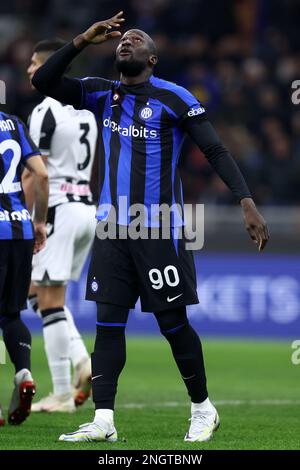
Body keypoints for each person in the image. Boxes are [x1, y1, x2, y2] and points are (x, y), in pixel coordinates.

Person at [32, 11, 269, 442]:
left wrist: (246, 201)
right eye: (124, 40)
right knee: (107, 324)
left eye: (137, 40)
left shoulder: (174, 97)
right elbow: (44, 82)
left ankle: (202, 409)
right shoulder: (101, 95)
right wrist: (83, 39)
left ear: (153, 59)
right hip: (111, 230)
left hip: (158, 228)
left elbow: (215, 150)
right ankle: (104, 420)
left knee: (172, 323)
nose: (127, 42)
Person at [23, 39, 98, 412]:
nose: (29, 71)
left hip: (58, 209)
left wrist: (31, 219)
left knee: (47, 299)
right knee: (39, 292)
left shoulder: (45, 110)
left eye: (35, 65)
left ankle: (66, 389)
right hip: (86, 207)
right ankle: (79, 364)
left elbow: (36, 174)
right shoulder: (87, 109)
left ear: (50, 67)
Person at [0, 110, 48, 425]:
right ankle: (24, 372)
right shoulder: (13, 123)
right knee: (10, 314)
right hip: (19, 229)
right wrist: (40, 221)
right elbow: (41, 175)